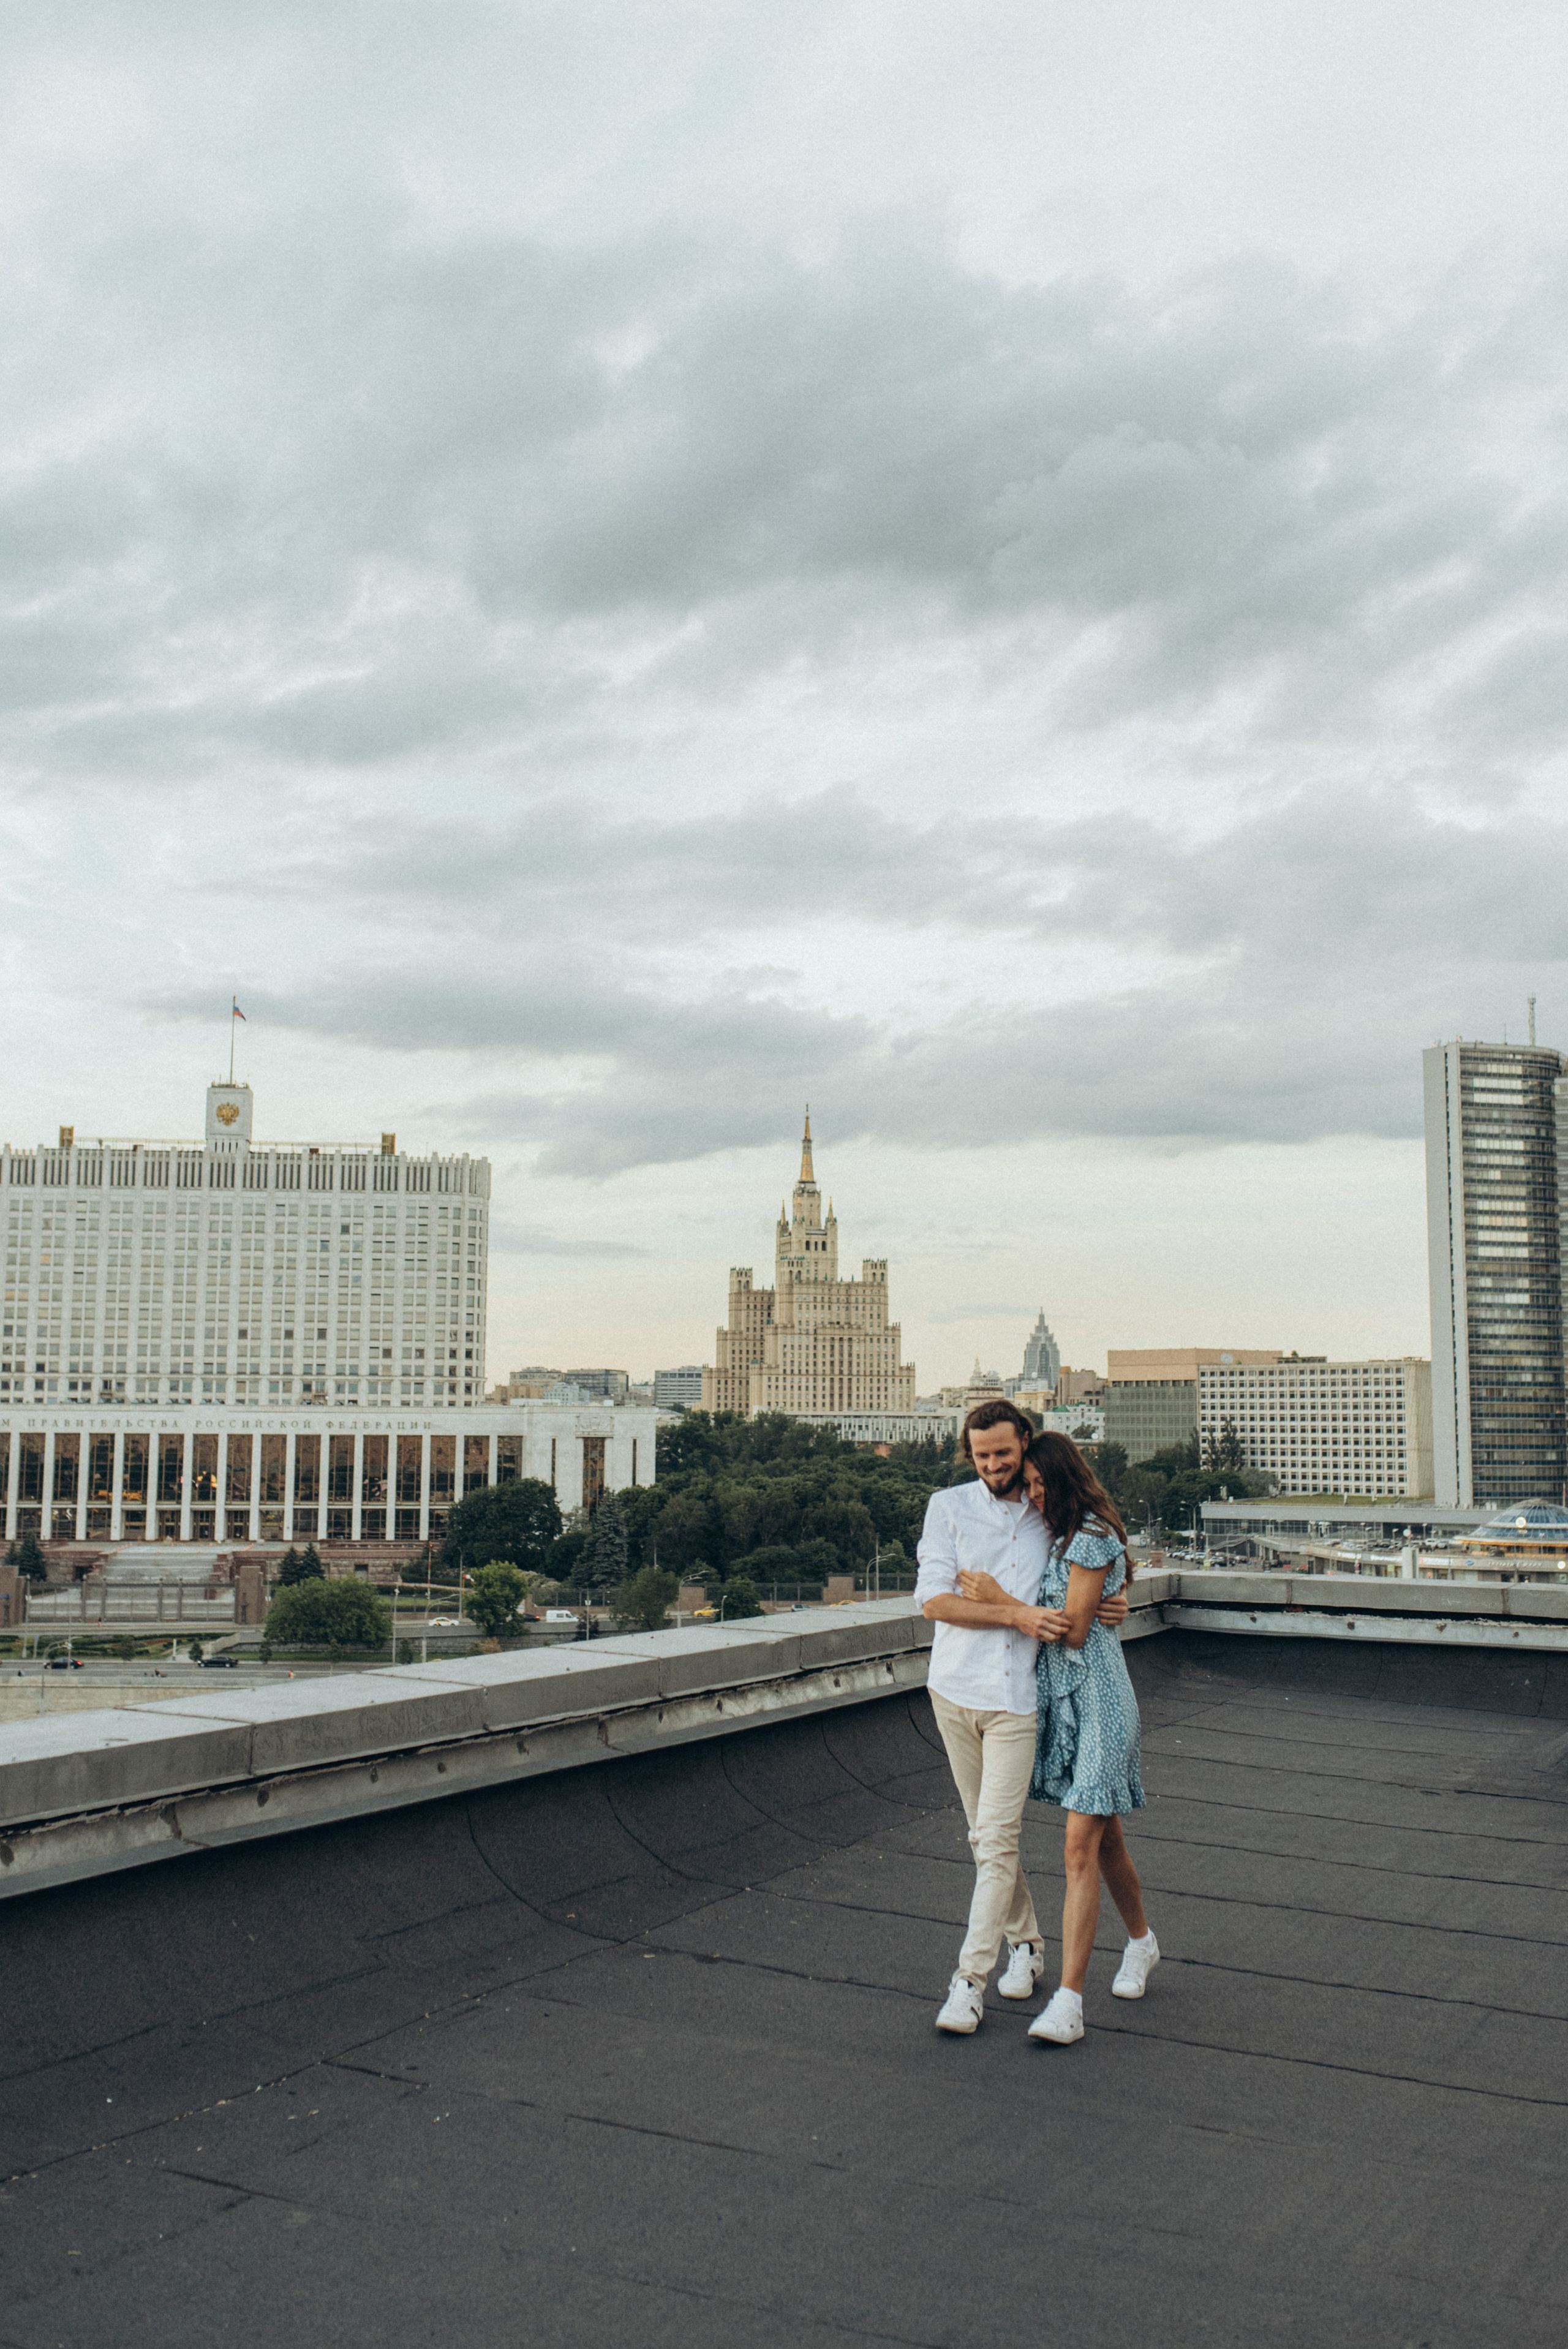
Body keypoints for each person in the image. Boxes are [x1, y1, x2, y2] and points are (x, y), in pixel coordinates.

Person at [915, 1400, 1131, 2035]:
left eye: (1003, 1454)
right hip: (954, 1691)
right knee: (983, 1839)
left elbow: (1103, 1549)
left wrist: (1120, 1595)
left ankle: (968, 1983)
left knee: (998, 1839)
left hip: (1019, 1700)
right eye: (981, 1456)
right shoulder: (947, 1507)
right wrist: (1016, 1614)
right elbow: (934, 1600)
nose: (993, 1466)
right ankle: (1028, 1943)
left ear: (1025, 1443)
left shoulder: (1048, 1511)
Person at [958, 1430, 1157, 2046]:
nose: (1036, 1494)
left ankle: (1069, 2001)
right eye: (1031, 1485)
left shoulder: (1090, 1534)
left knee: (1077, 1848)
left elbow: (1071, 1631)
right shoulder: (1061, 1534)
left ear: (1068, 1478)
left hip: (1101, 1703)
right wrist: (1115, 1597)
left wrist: (1000, 1600)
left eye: (1044, 1483)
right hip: (1070, 1706)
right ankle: (1142, 1942)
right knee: (1106, 1839)